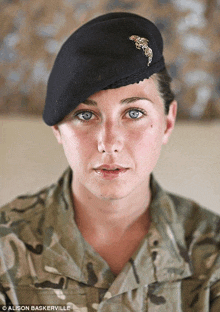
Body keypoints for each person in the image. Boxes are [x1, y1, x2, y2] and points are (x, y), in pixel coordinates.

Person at [0, 12, 220, 311]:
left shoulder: (212, 250)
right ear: (58, 130)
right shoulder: (6, 245)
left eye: (134, 113)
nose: (109, 143)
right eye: (85, 115)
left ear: (168, 122)